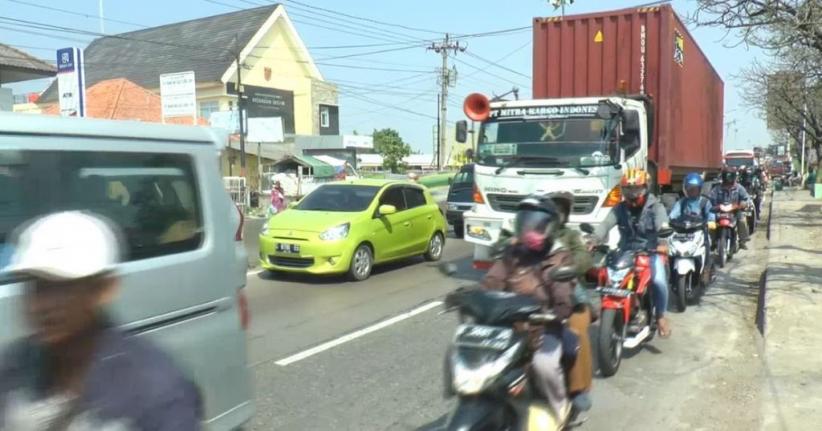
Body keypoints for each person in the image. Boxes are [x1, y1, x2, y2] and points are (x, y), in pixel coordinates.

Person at [0, 211, 202, 430]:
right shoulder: (15, 367)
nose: (43, 305)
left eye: (62, 287)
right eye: (37, 286)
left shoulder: (154, 387)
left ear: (105, 289)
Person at [481, 195, 575, 419]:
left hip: (544, 328)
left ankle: (560, 409)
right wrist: (472, 297)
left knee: (544, 365)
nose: (531, 230)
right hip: (510, 328)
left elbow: (563, 291)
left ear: (550, 228)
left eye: (537, 225)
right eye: (526, 223)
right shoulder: (511, 254)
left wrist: (557, 311)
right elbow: (492, 280)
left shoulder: (559, 256)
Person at [591, 168, 672, 337]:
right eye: (628, 190)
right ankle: (610, 310)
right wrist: (593, 239)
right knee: (605, 276)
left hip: (651, 252)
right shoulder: (619, 208)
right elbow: (605, 224)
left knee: (659, 281)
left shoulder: (656, 207)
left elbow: (662, 224)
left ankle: (660, 316)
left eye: (636, 189)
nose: (632, 194)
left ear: (645, 188)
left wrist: (663, 242)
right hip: (625, 252)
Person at [547, 192, 594, 414]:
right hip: (536, 297)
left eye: (561, 209)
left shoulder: (571, 236)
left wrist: (567, 266)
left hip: (570, 295)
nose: (557, 213)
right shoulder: (529, 236)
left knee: (576, 329)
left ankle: (578, 388)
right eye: (552, 208)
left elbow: (584, 258)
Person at [669, 173, 716, 284]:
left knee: (707, 244)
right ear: (685, 189)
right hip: (682, 232)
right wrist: (668, 221)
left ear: (700, 189)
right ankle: (671, 274)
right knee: (671, 250)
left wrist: (711, 221)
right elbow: (673, 215)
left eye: (695, 188)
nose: (692, 191)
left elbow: (711, 214)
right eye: (690, 188)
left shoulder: (704, 202)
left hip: (699, 231)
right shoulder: (681, 202)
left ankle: (706, 269)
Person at [708, 167, 751, 249]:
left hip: (735, 211)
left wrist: (741, 204)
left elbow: (746, 198)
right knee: (711, 223)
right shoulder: (716, 189)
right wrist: (717, 206)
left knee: (742, 221)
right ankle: (712, 241)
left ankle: (742, 241)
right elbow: (710, 200)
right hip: (719, 211)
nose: (728, 179)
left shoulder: (739, 188)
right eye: (726, 176)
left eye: (730, 176)